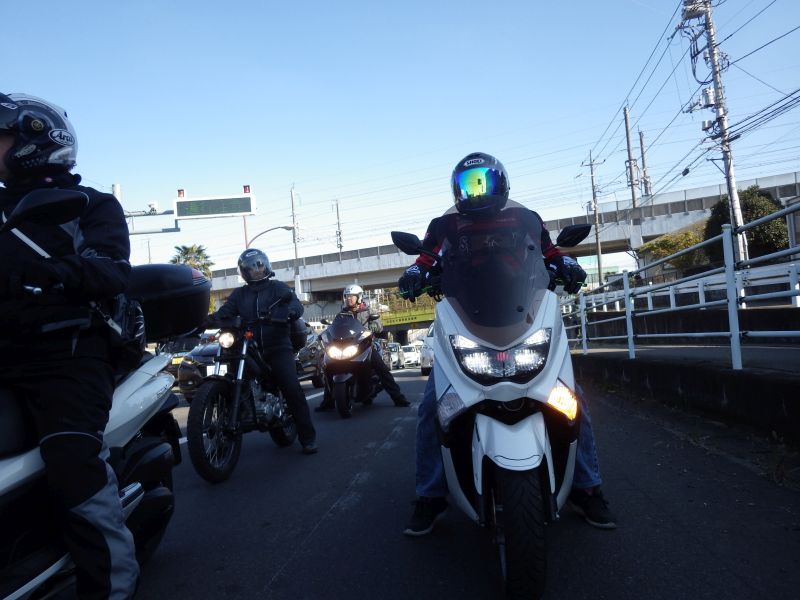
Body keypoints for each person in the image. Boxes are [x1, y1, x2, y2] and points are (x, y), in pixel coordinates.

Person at [398, 152, 616, 536]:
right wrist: (415, 272)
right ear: (457, 190)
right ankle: (430, 494)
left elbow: (549, 252)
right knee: (433, 406)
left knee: (572, 399)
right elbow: (426, 258)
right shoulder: (445, 225)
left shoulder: (524, 219)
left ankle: (587, 486)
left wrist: (565, 263)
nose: (477, 192)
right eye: (469, 185)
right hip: (467, 320)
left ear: (501, 184)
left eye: (483, 182)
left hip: (523, 319)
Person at [0, 93, 139, 598]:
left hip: (70, 354)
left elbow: (110, 269)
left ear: (34, 139)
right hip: (7, 354)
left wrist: (48, 274)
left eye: (1, 138)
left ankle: (111, 588)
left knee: (71, 457)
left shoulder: (90, 205)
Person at [205, 248, 318, 454]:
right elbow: (225, 313)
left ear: (266, 266)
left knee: (291, 388)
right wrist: (204, 320)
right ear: (244, 272)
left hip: (278, 346)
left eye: (259, 265)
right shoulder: (239, 294)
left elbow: (295, 305)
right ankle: (227, 430)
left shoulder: (278, 288)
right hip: (249, 348)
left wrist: (289, 312)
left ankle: (308, 438)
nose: (256, 270)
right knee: (233, 378)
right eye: (251, 267)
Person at [315, 284, 409, 411]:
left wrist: (375, 325)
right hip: (345, 347)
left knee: (381, 368)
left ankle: (398, 398)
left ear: (359, 297)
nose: (349, 299)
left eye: (352, 296)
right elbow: (334, 328)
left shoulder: (367, 311)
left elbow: (378, 325)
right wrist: (325, 333)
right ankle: (328, 402)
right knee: (329, 366)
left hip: (365, 346)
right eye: (347, 296)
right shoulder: (341, 314)